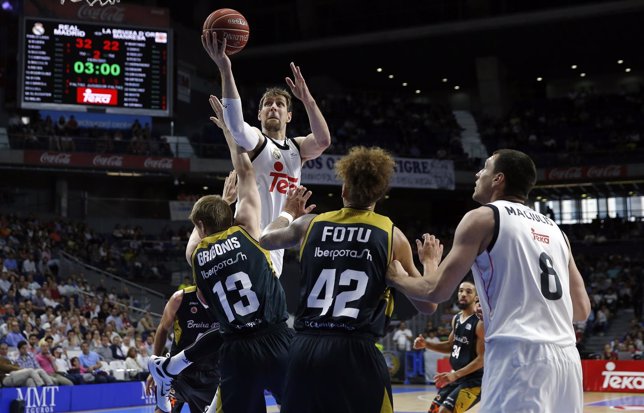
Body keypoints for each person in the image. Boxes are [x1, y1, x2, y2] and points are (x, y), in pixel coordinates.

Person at [386, 149, 591, 413]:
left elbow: (434, 291)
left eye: (485, 168)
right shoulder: (557, 231)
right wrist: (515, 302)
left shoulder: (483, 217)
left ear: (498, 179)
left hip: (518, 356)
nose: (478, 174)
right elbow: (582, 310)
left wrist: (397, 276)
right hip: (566, 360)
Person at [259, 145, 436, 412]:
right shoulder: (392, 235)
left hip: (306, 348)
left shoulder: (310, 224)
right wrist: (430, 263)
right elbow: (428, 304)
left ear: (343, 190)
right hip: (356, 352)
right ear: (380, 194)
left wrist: (287, 212)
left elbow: (266, 239)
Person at [148, 96, 291, 413]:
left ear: (199, 225)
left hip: (236, 348)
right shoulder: (248, 232)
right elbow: (246, 173)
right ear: (230, 217)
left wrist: (220, 204)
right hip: (274, 336)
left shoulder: (197, 256)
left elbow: (201, 235)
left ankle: (174, 364)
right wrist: (231, 133)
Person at [201, 30, 332, 276]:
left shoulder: (297, 148)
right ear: (259, 114)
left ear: (289, 116)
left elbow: (324, 140)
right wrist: (225, 69)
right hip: (247, 239)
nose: (273, 107)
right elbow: (238, 128)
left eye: (280, 104)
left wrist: (307, 99)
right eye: (267, 104)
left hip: (277, 243)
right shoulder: (257, 141)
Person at [145, 285, 221, 413]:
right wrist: (156, 367)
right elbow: (163, 329)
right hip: (177, 375)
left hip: (209, 376)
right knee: (163, 411)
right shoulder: (179, 299)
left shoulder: (224, 301)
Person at [414, 281, 484, 413]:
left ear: (476, 298)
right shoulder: (456, 319)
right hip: (457, 377)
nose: (463, 294)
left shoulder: (479, 323)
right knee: (433, 410)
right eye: (461, 291)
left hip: (474, 381)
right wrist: (426, 344)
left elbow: (482, 359)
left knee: (445, 411)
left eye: (468, 292)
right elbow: (450, 345)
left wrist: (455, 375)